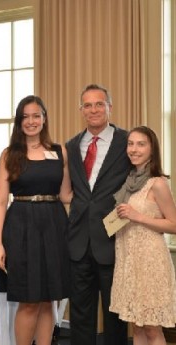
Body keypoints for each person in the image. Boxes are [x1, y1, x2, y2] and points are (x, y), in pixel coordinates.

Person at [0, 95, 72, 345]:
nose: (31, 121)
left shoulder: (60, 151)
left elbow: (66, 194)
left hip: (54, 224)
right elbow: (0, 201)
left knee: (49, 299)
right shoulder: (10, 154)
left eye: (36, 115)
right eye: (25, 116)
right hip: (21, 225)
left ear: (44, 118)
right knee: (28, 301)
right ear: (19, 121)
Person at [66, 84, 131, 345]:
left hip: (114, 240)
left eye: (99, 104)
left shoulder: (127, 142)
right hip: (79, 242)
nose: (93, 109)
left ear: (109, 108)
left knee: (115, 314)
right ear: (81, 110)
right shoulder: (71, 145)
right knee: (81, 314)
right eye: (88, 105)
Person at [110, 126, 176, 345]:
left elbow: (174, 224)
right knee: (136, 327)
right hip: (129, 260)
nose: (134, 149)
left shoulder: (157, 183)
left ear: (152, 149)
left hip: (151, 262)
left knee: (151, 329)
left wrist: (138, 216)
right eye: (130, 144)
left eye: (141, 144)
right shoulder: (129, 181)